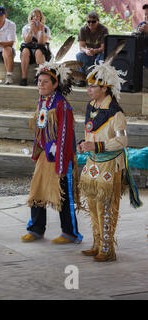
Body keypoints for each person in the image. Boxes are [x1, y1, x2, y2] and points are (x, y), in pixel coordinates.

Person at [77, 57, 142, 262]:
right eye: (87, 85)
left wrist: (97, 146)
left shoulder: (116, 113)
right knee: (93, 204)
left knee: (106, 206)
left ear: (105, 88)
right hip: (92, 163)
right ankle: (96, 243)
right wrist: (83, 143)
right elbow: (90, 132)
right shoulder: (91, 106)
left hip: (110, 164)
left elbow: (123, 141)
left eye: (93, 86)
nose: (89, 89)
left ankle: (107, 248)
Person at [21, 55, 83, 245]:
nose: (41, 84)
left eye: (45, 82)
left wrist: (62, 162)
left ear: (55, 84)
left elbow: (65, 134)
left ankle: (71, 233)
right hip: (45, 156)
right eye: (39, 81)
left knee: (63, 195)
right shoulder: (43, 101)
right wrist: (36, 150)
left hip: (61, 157)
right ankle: (36, 229)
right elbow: (40, 128)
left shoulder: (62, 105)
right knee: (37, 191)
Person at [19, 8, 52, 86]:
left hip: (40, 51)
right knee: (25, 51)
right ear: (31, 18)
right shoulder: (26, 28)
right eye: (34, 16)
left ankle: (39, 77)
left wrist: (41, 31)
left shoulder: (45, 28)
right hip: (29, 50)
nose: (36, 18)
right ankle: (24, 77)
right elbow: (26, 41)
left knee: (38, 51)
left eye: (38, 16)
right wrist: (31, 30)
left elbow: (41, 42)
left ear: (41, 18)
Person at [75, 12, 109, 86]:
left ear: (98, 21)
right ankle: (82, 79)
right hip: (89, 53)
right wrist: (86, 51)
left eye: (93, 21)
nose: (90, 23)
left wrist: (95, 51)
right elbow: (81, 47)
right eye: (88, 21)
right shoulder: (83, 30)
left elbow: (103, 48)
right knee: (79, 55)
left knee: (103, 56)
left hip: (99, 53)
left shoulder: (103, 30)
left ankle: (98, 78)